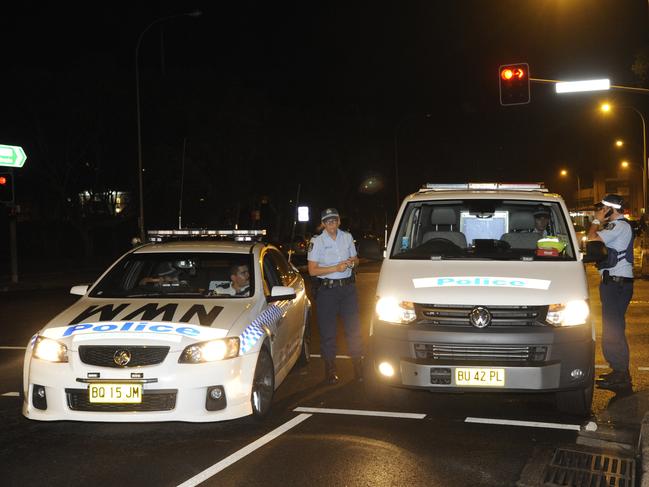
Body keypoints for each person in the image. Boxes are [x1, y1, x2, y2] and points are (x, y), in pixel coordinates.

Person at [307, 208, 363, 384]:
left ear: (339, 221)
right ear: (323, 223)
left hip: (347, 290)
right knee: (328, 332)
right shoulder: (317, 242)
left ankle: (358, 367)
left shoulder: (347, 237)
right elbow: (312, 270)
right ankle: (330, 370)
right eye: (328, 221)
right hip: (327, 291)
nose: (331, 223)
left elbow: (356, 259)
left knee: (354, 330)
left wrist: (352, 263)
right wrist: (335, 268)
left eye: (334, 220)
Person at [587, 194, 634, 391]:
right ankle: (618, 371)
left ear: (610, 209)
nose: (600, 210)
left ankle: (622, 374)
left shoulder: (619, 226)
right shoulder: (617, 227)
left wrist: (597, 220)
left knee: (613, 329)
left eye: (603, 207)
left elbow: (591, 238)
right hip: (615, 283)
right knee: (612, 328)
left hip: (617, 284)